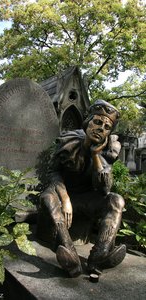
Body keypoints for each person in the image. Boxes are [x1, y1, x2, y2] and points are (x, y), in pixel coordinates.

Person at [39, 99, 126, 277]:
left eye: (107, 127)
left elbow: (104, 191)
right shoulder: (69, 141)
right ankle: (69, 252)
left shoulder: (105, 152)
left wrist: (95, 156)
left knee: (116, 200)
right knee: (47, 197)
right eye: (97, 122)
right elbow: (53, 173)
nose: (101, 128)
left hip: (84, 200)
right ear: (88, 122)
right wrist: (65, 199)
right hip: (61, 195)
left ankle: (99, 256)